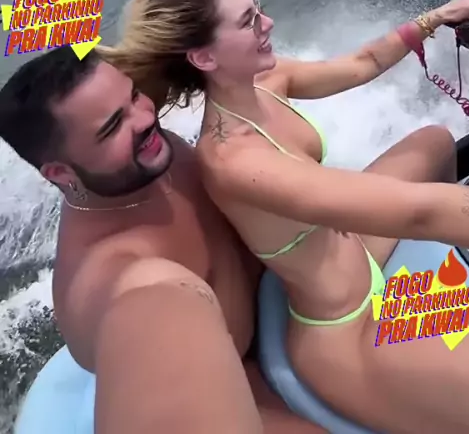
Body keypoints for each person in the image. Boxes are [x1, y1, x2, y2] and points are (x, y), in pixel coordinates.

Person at [100, 0, 469, 434]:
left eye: (257, 7)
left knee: (434, 142)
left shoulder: (265, 80)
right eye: (248, 21)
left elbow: (362, 63)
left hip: (354, 250)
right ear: (205, 58)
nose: (268, 22)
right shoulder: (234, 158)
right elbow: (419, 214)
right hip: (348, 327)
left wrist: (436, 17)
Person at [0, 48, 328, 434]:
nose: (145, 117)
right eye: (113, 126)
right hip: (247, 378)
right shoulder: (114, 274)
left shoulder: (146, 157)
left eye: (134, 95)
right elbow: (149, 314)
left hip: (294, 297)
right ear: (60, 173)